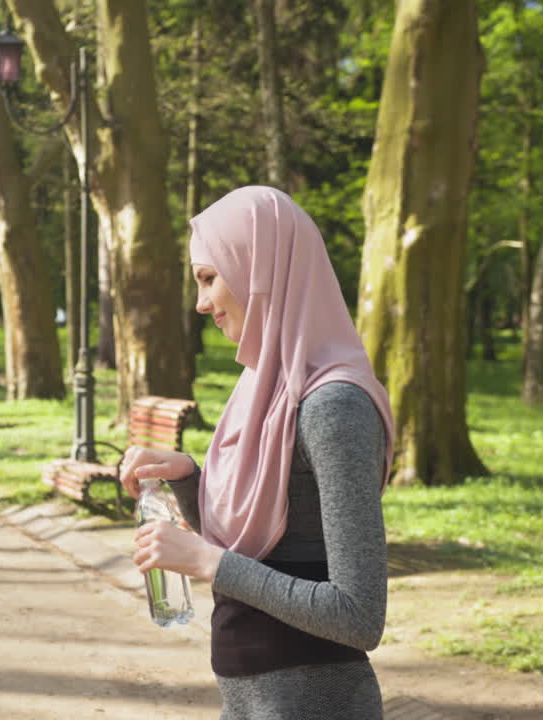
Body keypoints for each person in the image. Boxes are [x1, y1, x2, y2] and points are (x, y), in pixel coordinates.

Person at [121, 186, 396, 719]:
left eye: (209, 278)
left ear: (259, 270)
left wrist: (206, 562)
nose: (201, 303)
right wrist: (188, 477)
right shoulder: (265, 388)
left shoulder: (335, 407)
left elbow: (359, 616)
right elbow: (267, 547)